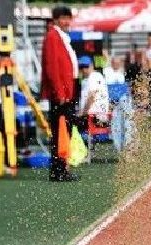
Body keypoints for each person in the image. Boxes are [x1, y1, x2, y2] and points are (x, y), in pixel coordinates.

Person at [41, 5, 79, 182]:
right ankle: (58, 171)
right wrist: (59, 92)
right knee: (60, 132)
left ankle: (62, 168)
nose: (66, 21)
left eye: (68, 18)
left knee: (65, 131)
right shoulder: (52, 36)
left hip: (68, 90)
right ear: (55, 19)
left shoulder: (61, 36)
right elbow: (52, 67)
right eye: (63, 18)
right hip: (61, 93)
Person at [77, 56, 110, 131]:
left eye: (86, 66)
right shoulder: (86, 79)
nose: (84, 69)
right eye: (81, 67)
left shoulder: (95, 76)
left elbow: (92, 96)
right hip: (91, 115)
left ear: (91, 65)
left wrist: (82, 113)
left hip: (95, 116)